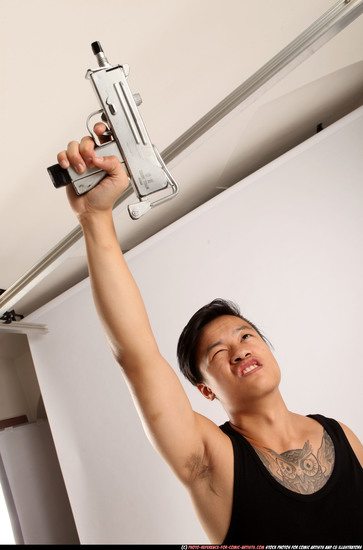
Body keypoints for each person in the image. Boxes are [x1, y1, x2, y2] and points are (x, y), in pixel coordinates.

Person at [57, 125, 363, 544]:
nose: (238, 351)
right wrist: (94, 218)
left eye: (245, 336)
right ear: (205, 390)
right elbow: (137, 355)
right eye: (218, 352)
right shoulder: (209, 457)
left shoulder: (343, 436)